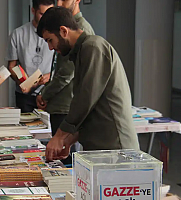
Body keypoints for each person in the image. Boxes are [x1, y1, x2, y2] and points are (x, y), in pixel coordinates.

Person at [36, 7, 140, 161]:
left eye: (50, 40)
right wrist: (69, 140)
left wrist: (60, 135)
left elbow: (85, 100)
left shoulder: (92, 47)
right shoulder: (81, 53)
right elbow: (91, 109)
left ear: (64, 31)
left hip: (115, 148)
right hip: (101, 147)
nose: (50, 47)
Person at [36, 0, 95, 164]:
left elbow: (69, 76)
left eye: (50, 41)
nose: (59, 3)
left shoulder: (88, 41)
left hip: (68, 107)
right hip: (65, 107)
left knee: (68, 164)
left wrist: (46, 93)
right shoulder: (71, 36)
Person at [6, 0, 54, 113]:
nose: (45, 18)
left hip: (48, 92)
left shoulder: (57, 34)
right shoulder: (18, 34)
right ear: (33, 11)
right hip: (24, 94)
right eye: (42, 14)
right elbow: (12, 66)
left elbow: (64, 65)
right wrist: (22, 81)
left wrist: (51, 76)